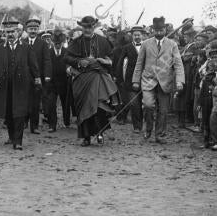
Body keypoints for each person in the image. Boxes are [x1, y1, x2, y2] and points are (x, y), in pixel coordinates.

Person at [65, 16, 118, 146]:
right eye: (84, 27)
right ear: (82, 27)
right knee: (83, 107)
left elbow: (112, 57)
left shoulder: (103, 41)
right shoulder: (76, 42)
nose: (87, 30)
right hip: (82, 78)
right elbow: (66, 57)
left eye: (89, 27)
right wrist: (78, 61)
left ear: (94, 27)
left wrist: (105, 61)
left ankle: (99, 133)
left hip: (99, 77)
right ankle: (86, 137)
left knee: (99, 106)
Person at [131, 17, 185, 143]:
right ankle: (148, 128)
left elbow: (178, 64)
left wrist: (180, 81)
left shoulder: (172, 45)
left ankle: (160, 134)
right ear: (153, 30)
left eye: (161, 30)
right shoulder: (146, 44)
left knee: (164, 110)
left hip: (165, 82)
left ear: (165, 29)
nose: (159, 33)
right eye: (157, 30)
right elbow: (139, 64)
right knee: (148, 106)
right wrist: (135, 80)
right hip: (148, 80)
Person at [0, 19, 40, 149]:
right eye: (7, 32)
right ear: (4, 34)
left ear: (18, 32)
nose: (10, 34)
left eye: (12, 31)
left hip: (21, 86)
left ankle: (18, 142)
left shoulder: (26, 47)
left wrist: (37, 79)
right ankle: (11, 137)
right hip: (5, 87)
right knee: (8, 113)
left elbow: (33, 65)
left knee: (19, 113)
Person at [24, 18, 51, 134]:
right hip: (24, 77)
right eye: (30, 29)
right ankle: (23, 122)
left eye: (35, 29)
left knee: (35, 103)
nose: (33, 31)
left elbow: (47, 60)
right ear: (26, 30)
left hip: (37, 78)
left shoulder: (43, 43)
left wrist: (47, 75)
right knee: (23, 101)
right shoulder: (21, 42)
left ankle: (34, 127)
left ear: (38, 29)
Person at [46, 29, 70, 132]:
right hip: (52, 83)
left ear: (62, 43)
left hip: (64, 83)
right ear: (52, 43)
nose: (57, 45)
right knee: (51, 104)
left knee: (66, 104)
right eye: (55, 43)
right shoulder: (48, 52)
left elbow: (70, 65)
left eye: (59, 43)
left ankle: (66, 122)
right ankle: (52, 125)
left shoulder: (67, 52)